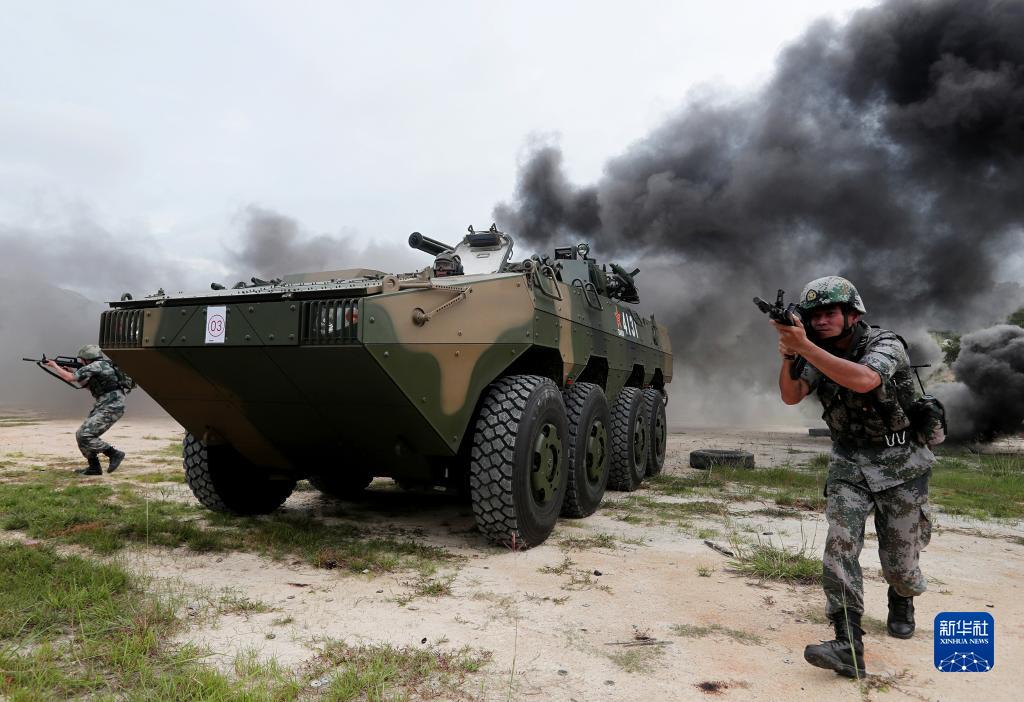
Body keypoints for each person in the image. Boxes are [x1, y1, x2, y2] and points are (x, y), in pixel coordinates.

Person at [771, 276, 933, 678]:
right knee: (840, 543)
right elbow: (791, 395)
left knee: (902, 566)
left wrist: (803, 344)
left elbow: (865, 379)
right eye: (814, 317)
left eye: (830, 313)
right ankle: (848, 642)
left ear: (852, 314)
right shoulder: (814, 349)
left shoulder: (885, 343)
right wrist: (790, 354)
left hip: (901, 460)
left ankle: (901, 595)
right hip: (849, 459)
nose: (821, 322)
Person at [46, 344, 127, 476]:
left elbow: (69, 378)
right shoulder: (102, 366)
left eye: (81, 359)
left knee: (85, 434)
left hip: (112, 406)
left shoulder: (96, 366)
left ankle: (114, 454)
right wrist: (72, 371)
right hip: (105, 404)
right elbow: (88, 386)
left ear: (87, 358)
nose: (80, 362)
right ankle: (94, 468)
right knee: (81, 434)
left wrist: (55, 366)